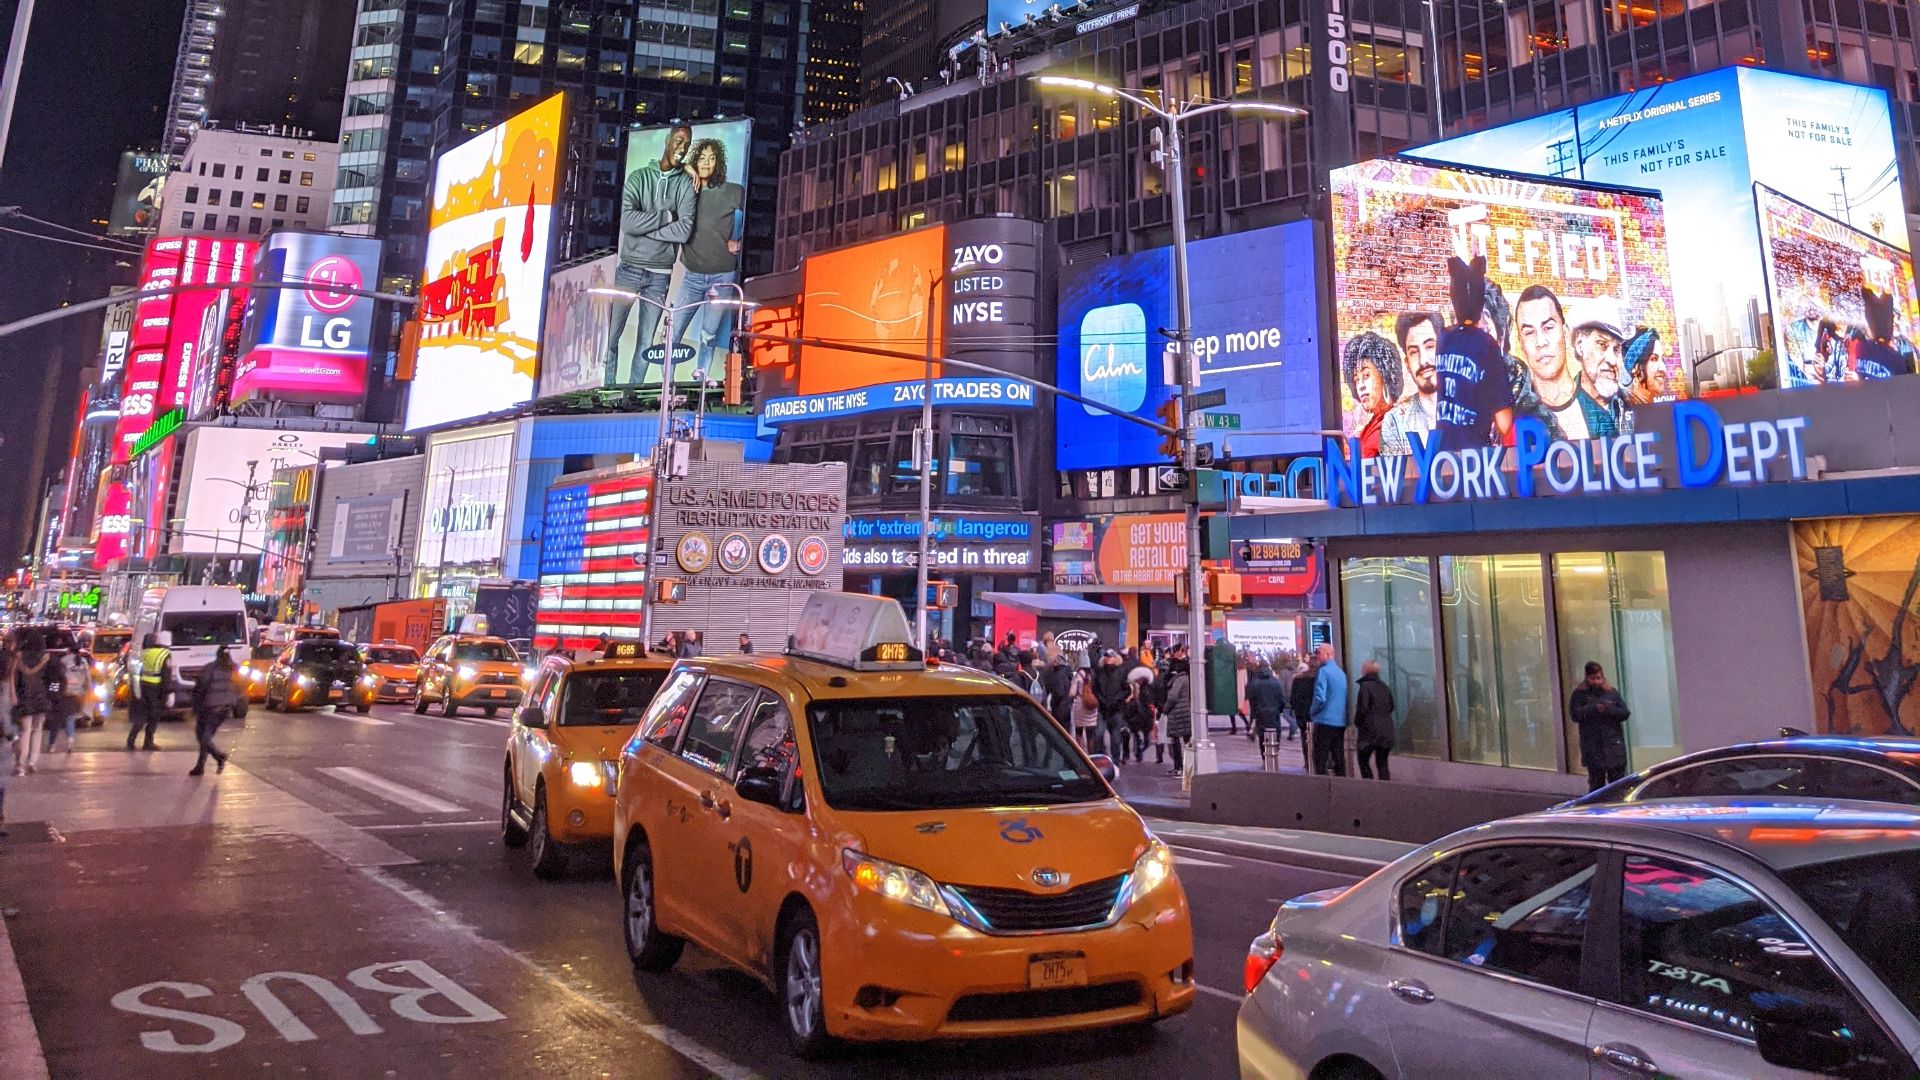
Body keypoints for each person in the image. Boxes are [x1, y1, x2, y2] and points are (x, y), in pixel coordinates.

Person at [606, 123, 696, 389]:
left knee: (645, 343)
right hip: (629, 268)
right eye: (679, 141)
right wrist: (666, 217)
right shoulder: (638, 177)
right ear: (668, 140)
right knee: (612, 335)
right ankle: (607, 390)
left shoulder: (686, 185)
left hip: (660, 274)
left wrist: (646, 231)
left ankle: (630, 397)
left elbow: (684, 230)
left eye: (687, 144)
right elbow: (628, 223)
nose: (682, 148)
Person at [670, 137, 747, 381]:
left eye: (712, 158)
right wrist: (686, 168)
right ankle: (666, 383)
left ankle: (700, 377)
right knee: (672, 334)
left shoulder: (730, 191)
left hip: (722, 277)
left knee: (709, 334)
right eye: (701, 158)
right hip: (692, 276)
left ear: (718, 163)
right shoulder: (684, 188)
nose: (706, 162)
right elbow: (665, 163)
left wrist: (742, 243)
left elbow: (765, 214)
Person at [1514, 285, 1595, 441]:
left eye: (1548, 328)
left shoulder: (1599, 411)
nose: (1540, 342)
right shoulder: (1514, 418)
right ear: (1521, 344)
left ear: (1565, 332)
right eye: (1530, 332)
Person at [1380, 312, 1441, 456]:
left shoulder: (1473, 408)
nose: (1423, 361)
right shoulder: (1395, 422)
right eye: (1414, 352)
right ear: (1407, 363)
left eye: (1430, 346)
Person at [1569, 299, 1632, 436]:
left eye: (1616, 349)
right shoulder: (1567, 406)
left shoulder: (1630, 404)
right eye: (1602, 345)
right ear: (1580, 345)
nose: (1612, 360)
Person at [1569, 660, 1632, 791]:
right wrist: (1593, 708)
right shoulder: (1579, 695)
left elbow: (1624, 713)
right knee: (1597, 785)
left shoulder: (1611, 693)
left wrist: (1608, 709)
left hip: (1613, 748)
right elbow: (1575, 715)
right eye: (1593, 678)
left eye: (1599, 678)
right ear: (1587, 678)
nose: (1596, 682)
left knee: (1618, 786)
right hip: (1593, 748)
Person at [1343, 332, 1402, 457]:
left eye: (1366, 375)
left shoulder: (1395, 422)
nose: (1361, 386)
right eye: (1356, 380)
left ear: (1384, 375)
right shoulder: (1368, 427)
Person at [188, 647, 239, 776]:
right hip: (224, 708)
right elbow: (240, 686)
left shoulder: (210, 668)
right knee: (206, 737)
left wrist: (195, 705)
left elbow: (201, 687)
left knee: (203, 736)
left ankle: (218, 756)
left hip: (209, 707)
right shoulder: (234, 668)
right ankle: (201, 766)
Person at [11, 637, 50, 776]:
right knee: (37, 731)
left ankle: (20, 765)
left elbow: (14, 680)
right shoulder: (46, 659)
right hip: (41, 699)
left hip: (25, 699)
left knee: (25, 732)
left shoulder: (20, 659)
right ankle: (33, 762)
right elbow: (51, 680)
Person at [1352, 660, 1396, 780]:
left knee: (1363, 760)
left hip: (1369, 732)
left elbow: (1363, 708)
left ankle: (1369, 787)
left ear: (1365, 671)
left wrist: (1358, 722)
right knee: (1382, 763)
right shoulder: (1384, 686)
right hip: (1386, 730)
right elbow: (1392, 706)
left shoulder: (1365, 686)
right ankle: (1385, 788)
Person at [1308, 644, 1348, 777]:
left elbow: (1320, 697)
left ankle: (1323, 787)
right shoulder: (1340, 673)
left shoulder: (1324, 672)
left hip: (1324, 720)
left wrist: (1312, 711)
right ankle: (1341, 784)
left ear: (1328, 654)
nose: (1317, 656)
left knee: (1320, 758)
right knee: (1338, 757)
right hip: (1339, 721)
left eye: (1319, 653)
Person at [129, 633, 171, 751]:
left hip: (142, 687)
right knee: (154, 717)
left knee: (141, 716)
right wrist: (167, 693)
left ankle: (131, 740)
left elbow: (136, 671)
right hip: (155, 689)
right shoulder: (165, 655)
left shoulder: (145, 653)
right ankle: (148, 743)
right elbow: (166, 676)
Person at [47, 644, 88, 755]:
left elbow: (58, 678)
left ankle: (52, 746)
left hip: (63, 695)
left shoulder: (63, 661)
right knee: (70, 719)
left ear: (68, 650)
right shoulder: (83, 662)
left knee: (56, 721)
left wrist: (52, 693)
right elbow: (87, 680)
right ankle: (70, 743)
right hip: (77, 695)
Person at [1093, 650, 1132, 763]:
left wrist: (1117, 699)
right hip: (1103, 709)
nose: (1109, 658)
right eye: (1107, 656)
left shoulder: (1121, 672)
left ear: (1115, 658)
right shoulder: (1099, 672)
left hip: (1116, 710)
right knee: (1098, 735)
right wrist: (1101, 699)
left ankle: (1115, 762)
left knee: (1115, 738)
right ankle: (1100, 760)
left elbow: (1127, 690)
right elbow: (1095, 689)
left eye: (1111, 656)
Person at [1243, 661, 1287, 761]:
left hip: (1261, 715)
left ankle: (1264, 758)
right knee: (1275, 735)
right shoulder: (1276, 682)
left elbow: (1252, 702)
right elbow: (1282, 700)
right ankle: (1274, 754)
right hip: (1274, 715)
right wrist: (1278, 710)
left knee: (1262, 737)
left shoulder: (1255, 683)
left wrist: (1254, 715)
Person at [1161, 647, 1192, 776]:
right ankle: (1186, 766)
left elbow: (1173, 697)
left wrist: (1165, 709)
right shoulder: (1186, 678)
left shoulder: (1179, 680)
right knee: (1186, 741)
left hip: (1177, 714)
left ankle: (1180, 767)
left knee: (1176, 741)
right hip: (1185, 712)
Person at [1067, 657, 1102, 753]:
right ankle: (1091, 755)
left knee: (1079, 733)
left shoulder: (1078, 676)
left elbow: (1072, 693)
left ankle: (1081, 754)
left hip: (1079, 706)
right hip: (1092, 706)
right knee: (1090, 735)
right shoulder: (1093, 675)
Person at [1288, 656, 1317, 769]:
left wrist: (1296, 710)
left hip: (1302, 715)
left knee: (1305, 738)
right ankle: (1316, 761)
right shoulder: (1318, 679)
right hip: (1316, 715)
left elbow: (1292, 700)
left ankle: (1307, 760)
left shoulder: (1298, 680)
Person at [1042, 646, 1073, 725]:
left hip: (1059, 708)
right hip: (1067, 706)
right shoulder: (1067, 672)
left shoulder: (1058, 674)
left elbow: (1059, 692)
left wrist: (1053, 702)